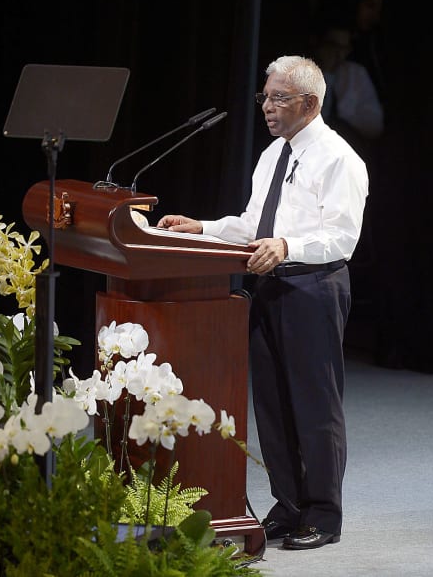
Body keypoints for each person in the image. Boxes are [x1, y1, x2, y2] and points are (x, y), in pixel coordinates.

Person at [157, 56, 368, 551]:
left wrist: (289, 247)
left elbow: (342, 237)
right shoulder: (274, 153)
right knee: (272, 405)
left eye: (278, 98)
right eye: (265, 97)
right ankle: (288, 505)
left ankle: (323, 513)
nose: (267, 108)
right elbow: (256, 224)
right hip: (268, 285)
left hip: (314, 288)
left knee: (314, 405)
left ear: (311, 104)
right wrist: (203, 228)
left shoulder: (340, 159)